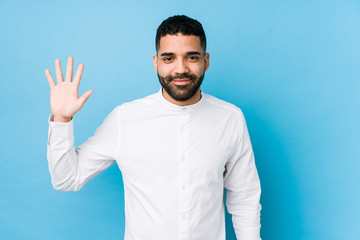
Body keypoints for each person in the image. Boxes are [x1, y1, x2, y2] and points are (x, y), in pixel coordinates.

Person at [45, 15, 262, 240]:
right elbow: (67, 179)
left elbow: (244, 198)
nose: (181, 69)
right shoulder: (125, 119)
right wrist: (61, 119)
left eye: (192, 57)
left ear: (205, 61)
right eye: (169, 58)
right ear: (155, 62)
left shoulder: (230, 118)